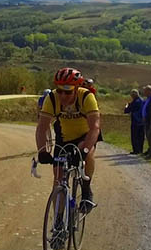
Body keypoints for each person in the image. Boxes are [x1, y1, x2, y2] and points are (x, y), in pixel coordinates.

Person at [36, 67, 102, 215]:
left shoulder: (86, 97)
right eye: (59, 91)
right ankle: (59, 223)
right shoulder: (52, 98)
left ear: (77, 88)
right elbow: (42, 128)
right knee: (58, 178)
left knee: (88, 153)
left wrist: (84, 151)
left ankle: (86, 189)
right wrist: (42, 151)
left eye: (67, 92)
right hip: (64, 138)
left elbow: (95, 128)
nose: (63, 96)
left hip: (86, 135)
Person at [124, 89, 145, 154]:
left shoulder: (135, 102)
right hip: (142, 121)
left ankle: (136, 150)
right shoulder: (142, 101)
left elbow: (127, 110)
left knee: (135, 136)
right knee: (141, 137)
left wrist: (127, 106)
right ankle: (140, 150)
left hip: (136, 121)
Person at [140, 85, 151, 154]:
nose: (144, 93)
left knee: (150, 135)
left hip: (150, 120)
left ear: (149, 91)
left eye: (145, 91)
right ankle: (150, 150)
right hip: (146, 119)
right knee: (148, 135)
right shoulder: (148, 99)